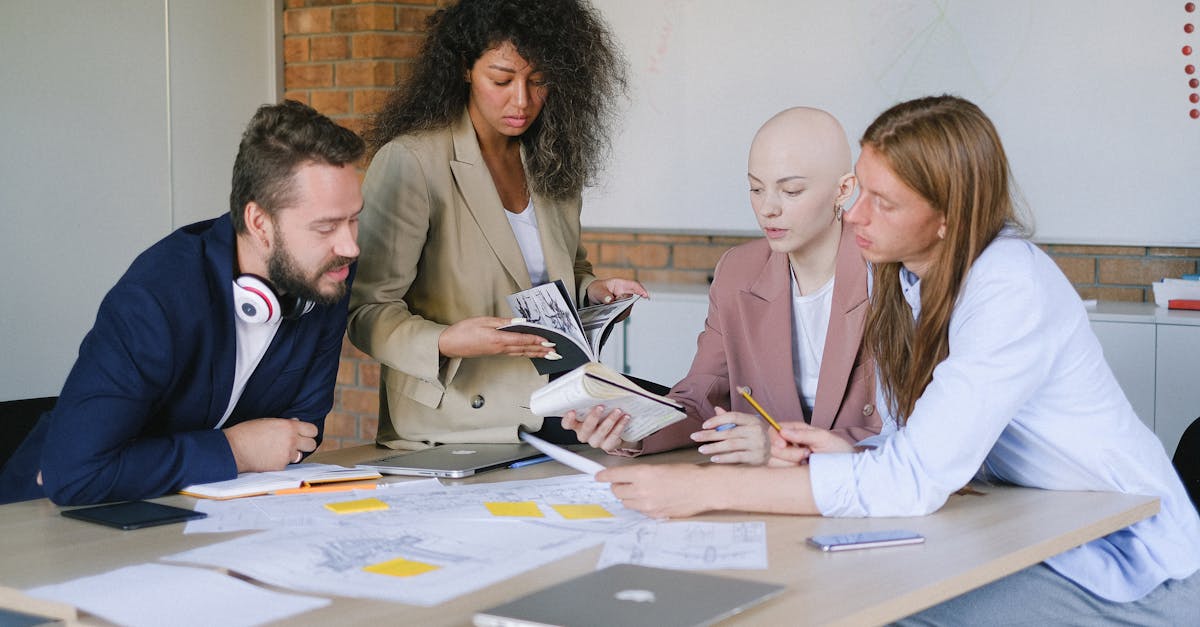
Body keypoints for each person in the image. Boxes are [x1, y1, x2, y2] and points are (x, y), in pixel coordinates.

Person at [598, 95, 1200, 623]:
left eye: (882, 202)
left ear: (946, 218)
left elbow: (911, 481)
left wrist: (707, 491)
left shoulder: (1010, 288)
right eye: (859, 189)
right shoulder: (907, 282)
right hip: (1031, 528)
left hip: (1127, 565)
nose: (854, 213)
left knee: (874, 612)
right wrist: (854, 450)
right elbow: (919, 448)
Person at [0, 101, 365, 505]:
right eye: (326, 226)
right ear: (260, 223)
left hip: (187, 508)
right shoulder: (158, 296)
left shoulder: (326, 274)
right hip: (40, 519)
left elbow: (297, 437)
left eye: (353, 219)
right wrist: (236, 450)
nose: (350, 245)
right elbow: (78, 473)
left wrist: (233, 451)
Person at [348, 0, 646, 449]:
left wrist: (594, 293)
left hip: (557, 401)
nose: (522, 100)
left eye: (539, 80)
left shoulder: (551, 159)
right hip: (460, 420)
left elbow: (562, 272)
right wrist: (447, 340)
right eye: (502, 80)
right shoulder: (412, 162)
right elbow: (365, 312)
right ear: (465, 68)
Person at [563, 107, 880, 464]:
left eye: (791, 191)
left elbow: (922, 431)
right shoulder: (738, 271)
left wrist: (784, 447)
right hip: (764, 493)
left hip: (867, 491)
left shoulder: (891, 273)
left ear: (844, 189)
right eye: (756, 188)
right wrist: (630, 429)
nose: (768, 208)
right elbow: (701, 401)